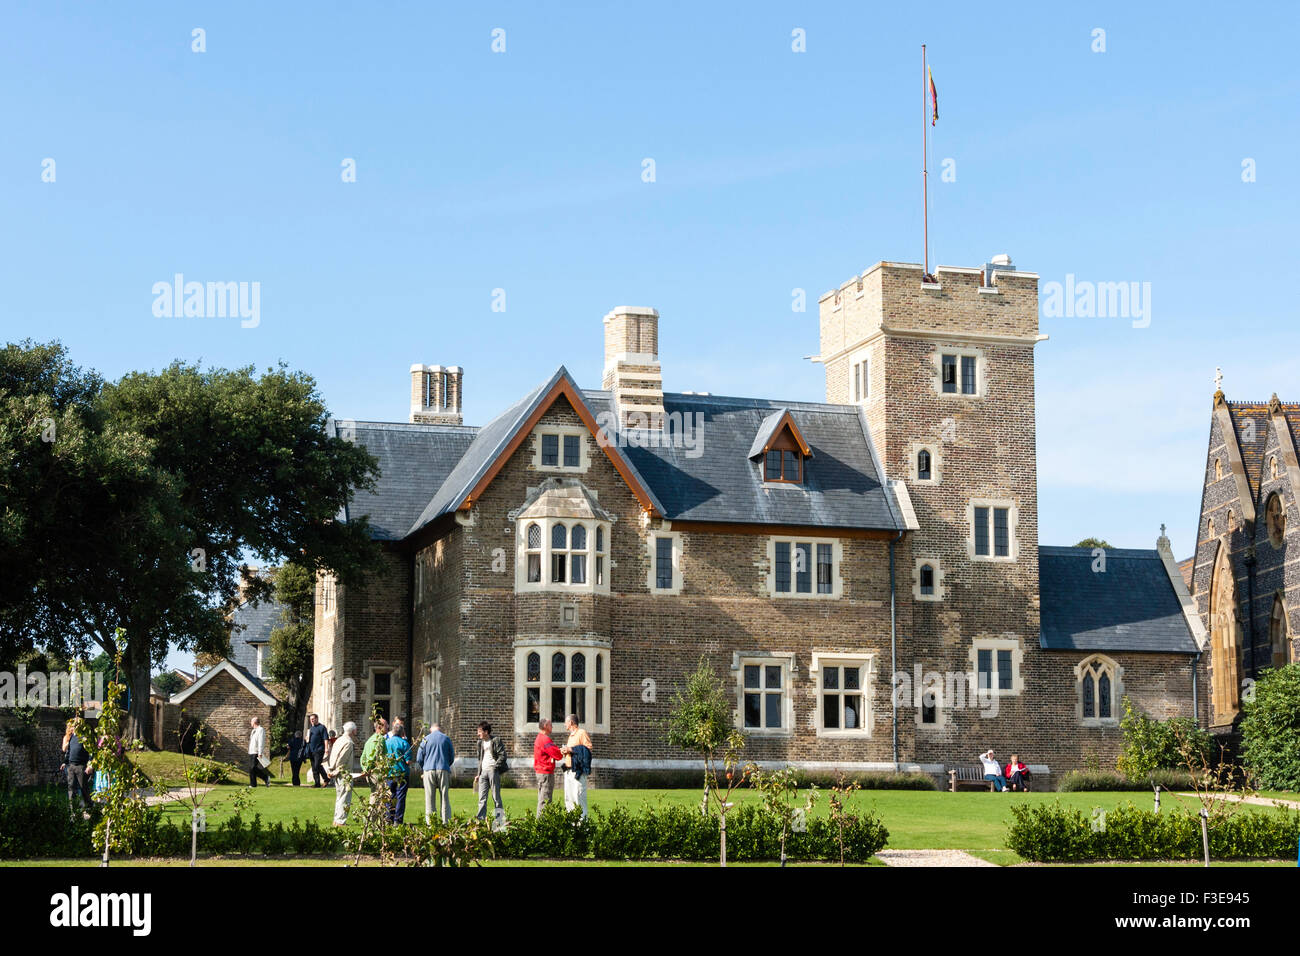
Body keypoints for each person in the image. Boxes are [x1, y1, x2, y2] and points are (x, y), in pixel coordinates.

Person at [414, 722, 456, 824]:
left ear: (431, 729)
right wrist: (446, 764)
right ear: (440, 729)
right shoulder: (446, 738)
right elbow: (451, 756)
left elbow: (419, 757)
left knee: (429, 798)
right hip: (443, 768)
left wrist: (424, 766)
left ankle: (431, 824)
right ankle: (446, 822)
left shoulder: (425, 739)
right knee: (445, 797)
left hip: (429, 769)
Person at [560, 714, 593, 819]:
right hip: (568, 771)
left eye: (566, 722)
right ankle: (571, 825)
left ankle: (582, 826)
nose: (565, 724)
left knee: (578, 798)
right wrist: (565, 751)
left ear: (571, 723)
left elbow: (588, 749)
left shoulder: (581, 733)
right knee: (569, 799)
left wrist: (571, 749)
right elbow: (572, 751)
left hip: (578, 771)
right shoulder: (570, 736)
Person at [325, 721, 358, 826]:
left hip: (337, 772)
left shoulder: (339, 740)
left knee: (340, 797)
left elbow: (333, 756)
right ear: (353, 731)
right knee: (344, 797)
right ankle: (340, 821)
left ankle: (336, 819)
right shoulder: (348, 742)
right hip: (344, 773)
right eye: (355, 729)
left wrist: (331, 770)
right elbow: (342, 760)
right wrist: (336, 771)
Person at [474, 721, 507, 822]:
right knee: (481, 798)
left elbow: (503, 755)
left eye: (479, 731)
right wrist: (478, 774)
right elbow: (480, 759)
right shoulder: (480, 743)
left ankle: (499, 821)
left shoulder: (496, 740)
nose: (478, 734)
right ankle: (480, 821)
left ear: (486, 732)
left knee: (496, 797)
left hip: (493, 771)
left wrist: (495, 767)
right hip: (483, 772)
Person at [533, 718, 564, 817]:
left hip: (540, 772)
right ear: (545, 726)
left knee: (542, 798)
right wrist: (562, 751)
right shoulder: (545, 739)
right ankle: (542, 824)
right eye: (550, 724)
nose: (552, 726)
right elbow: (557, 754)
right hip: (545, 772)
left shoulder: (539, 737)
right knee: (545, 800)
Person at [60, 721, 92, 813]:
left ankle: (89, 807)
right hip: (71, 766)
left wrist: (90, 765)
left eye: (75, 726)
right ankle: (73, 810)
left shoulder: (84, 737)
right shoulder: (72, 738)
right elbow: (69, 751)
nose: (72, 728)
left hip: (81, 766)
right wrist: (65, 762)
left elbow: (91, 752)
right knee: (71, 788)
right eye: (72, 726)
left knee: (83, 787)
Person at [385, 726, 412, 824]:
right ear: (402, 733)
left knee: (390, 796)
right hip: (401, 773)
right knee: (400, 796)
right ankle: (398, 820)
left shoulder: (386, 742)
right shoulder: (404, 743)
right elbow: (408, 761)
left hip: (389, 773)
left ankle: (389, 818)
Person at [361, 717, 389, 807]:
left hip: (369, 772)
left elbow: (363, 757)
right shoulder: (380, 739)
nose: (388, 727)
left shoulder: (369, 740)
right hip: (376, 771)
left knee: (374, 793)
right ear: (379, 727)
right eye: (386, 725)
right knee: (379, 796)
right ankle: (374, 818)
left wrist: (364, 768)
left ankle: (373, 818)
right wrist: (368, 769)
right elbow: (374, 756)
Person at [305, 713, 329, 788]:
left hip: (319, 749)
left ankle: (326, 779)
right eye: (310, 719)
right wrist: (307, 739)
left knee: (317, 765)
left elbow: (325, 738)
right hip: (311, 750)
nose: (311, 720)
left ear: (316, 719)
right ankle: (317, 783)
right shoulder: (311, 729)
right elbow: (309, 739)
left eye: (313, 719)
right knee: (314, 767)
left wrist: (326, 748)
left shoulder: (321, 727)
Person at [248, 717, 270, 787]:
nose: (250, 723)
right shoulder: (253, 731)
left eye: (251, 722)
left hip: (256, 751)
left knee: (253, 767)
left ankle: (265, 777)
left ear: (254, 722)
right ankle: (253, 784)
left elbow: (261, 741)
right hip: (251, 751)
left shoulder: (260, 730)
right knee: (251, 768)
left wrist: (260, 752)